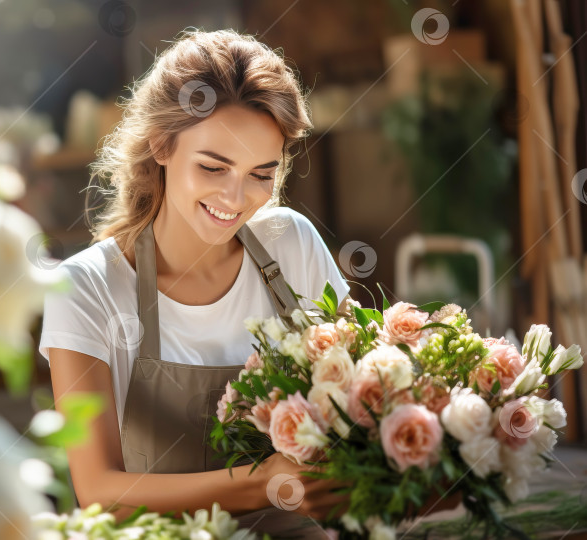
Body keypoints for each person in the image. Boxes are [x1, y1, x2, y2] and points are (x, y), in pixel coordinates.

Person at [39, 28, 453, 538]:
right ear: (161, 146)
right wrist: (263, 484)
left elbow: (363, 403)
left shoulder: (291, 244)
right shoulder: (87, 288)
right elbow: (99, 493)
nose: (236, 198)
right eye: (214, 167)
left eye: (262, 173)